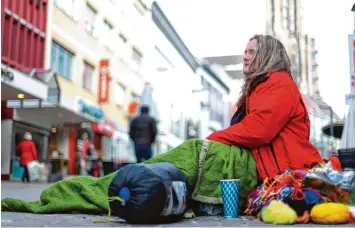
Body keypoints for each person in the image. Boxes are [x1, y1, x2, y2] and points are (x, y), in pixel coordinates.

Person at [207, 34, 322, 181]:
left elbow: (258, 130)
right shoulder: (256, 90)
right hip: (278, 177)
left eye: (252, 52)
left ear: (268, 55)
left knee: (193, 150)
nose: (245, 57)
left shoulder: (278, 83)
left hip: (291, 178)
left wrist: (212, 139)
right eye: (245, 52)